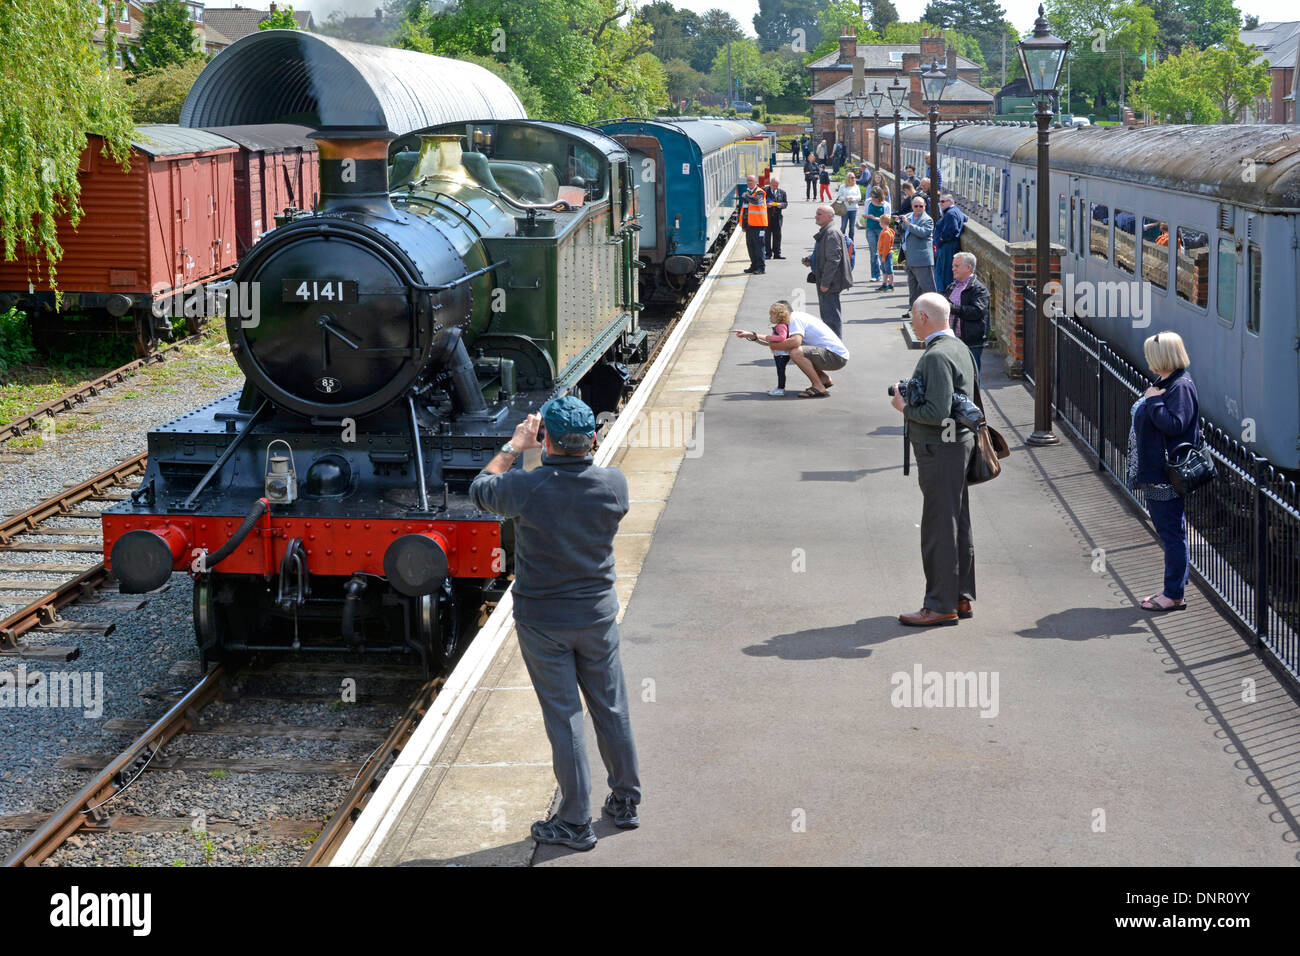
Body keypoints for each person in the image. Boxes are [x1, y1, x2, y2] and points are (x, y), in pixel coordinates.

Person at [469, 397, 641, 850]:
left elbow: (483, 488)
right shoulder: (614, 484)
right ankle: (625, 802)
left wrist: (515, 444)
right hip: (596, 614)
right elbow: (559, 480)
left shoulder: (525, 487)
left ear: (545, 439)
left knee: (565, 719)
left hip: (544, 620)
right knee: (612, 708)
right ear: (594, 439)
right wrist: (544, 451)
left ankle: (574, 822)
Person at [890, 292, 978, 627]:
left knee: (939, 528)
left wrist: (905, 407)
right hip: (959, 447)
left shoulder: (936, 356)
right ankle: (960, 597)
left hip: (940, 451)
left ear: (924, 318)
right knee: (958, 523)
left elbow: (937, 413)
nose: (911, 321)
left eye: (913, 315)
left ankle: (939, 605)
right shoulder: (960, 348)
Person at [1126, 331, 1198, 613]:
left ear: (1163, 357)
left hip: (1165, 476)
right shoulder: (1166, 380)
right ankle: (1174, 586)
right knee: (1171, 531)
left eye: (1151, 355)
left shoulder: (1180, 387)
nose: (1147, 359)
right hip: (1157, 472)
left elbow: (1175, 424)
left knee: (1171, 534)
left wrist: (1152, 401)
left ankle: (1173, 595)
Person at [737, 300, 849, 398]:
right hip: (836, 355)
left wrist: (773, 345)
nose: (770, 319)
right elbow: (779, 343)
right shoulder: (793, 319)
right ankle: (824, 379)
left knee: (796, 352)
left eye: (773, 315)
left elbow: (795, 342)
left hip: (835, 357)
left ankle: (818, 386)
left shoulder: (794, 319)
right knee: (797, 350)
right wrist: (753, 336)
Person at [802, 204, 853, 339]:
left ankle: (835, 348)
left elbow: (833, 260)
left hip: (830, 283)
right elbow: (825, 254)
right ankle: (833, 345)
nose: (816, 216)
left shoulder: (831, 233)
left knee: (831, 316)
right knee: (828, 314)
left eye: (819, 214)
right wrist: (811, 259)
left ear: (830, 217)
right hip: (828, 281)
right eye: (817, 213)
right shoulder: (828, 231)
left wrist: (825, 283)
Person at [733, 301, 792, 396]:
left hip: (782, 354)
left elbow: (782, 337)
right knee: (780, 371)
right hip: (779, 353)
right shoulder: (780, 325)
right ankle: (780, 387)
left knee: (780, 371)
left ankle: (781, 389)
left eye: (771, 316)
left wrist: (769, 337)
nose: (770, 318)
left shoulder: (781, 326)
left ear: (778, 317)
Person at [944, 252, 989, 372]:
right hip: (953, 339)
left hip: (971, 341)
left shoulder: (979, 289)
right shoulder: (952, 286)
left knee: (972, 375)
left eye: (957, 266)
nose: (953, 269)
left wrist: (952, 308)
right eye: (953, 266)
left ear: (968, 268)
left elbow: (977, 312)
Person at [899, 194, 936, 317]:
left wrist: (909, 225)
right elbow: (903, 229)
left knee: (927, 288)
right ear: (912, 206)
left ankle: (933, 312)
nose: (918, 208)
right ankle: (913, 311)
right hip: (910, 258)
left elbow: (923, 233)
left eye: (921, 206)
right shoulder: (908, 216)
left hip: (922, 260)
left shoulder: (928, 220)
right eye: (916, 206)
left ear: (925, 206)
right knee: (913, 287)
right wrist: (900, 223)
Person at [934, 191, 966, 290]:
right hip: (949, 246)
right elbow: (965, 219)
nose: (941, 204)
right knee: (946, 272)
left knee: (944, 273)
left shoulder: (950, 214)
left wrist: (941, 238)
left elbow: (953, 230)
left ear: (950, 202)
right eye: (940, 202)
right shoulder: (956, 211)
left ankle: (944, 294)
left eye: (943, 201)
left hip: (947, 247)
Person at [739, 174, 768, 274]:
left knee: (759, 247)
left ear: (756, 182)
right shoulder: (749, 193)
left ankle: (761, 268)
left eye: (751, 181)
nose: (749, 183)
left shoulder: (760, 192)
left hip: (759, 226)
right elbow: (745, 211)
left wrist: (746, 196)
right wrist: (743, 225)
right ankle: (754, 265)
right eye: (748, 181)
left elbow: (756, 202)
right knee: (751, 247)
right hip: (750, 226)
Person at [861, 185, 891, 283]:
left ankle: (885, 273)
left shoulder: (886, 205)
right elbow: (864, 214)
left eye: (875, 197)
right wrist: (867, 216)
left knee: (882, 252)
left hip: (882, 230)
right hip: (870, 228)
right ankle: (875, 274)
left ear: (879, 196)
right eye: (872, 196)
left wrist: (876, 218)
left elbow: (887, 219)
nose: (873, 198)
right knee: (873, 252)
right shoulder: (868, 202)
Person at [835, 171, 862, 243]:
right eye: (852, 177)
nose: (853, 179)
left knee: (852, 227)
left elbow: (859, 197)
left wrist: (854, 199)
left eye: (854, 177)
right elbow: (839, 197)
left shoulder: (856, 187)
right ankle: (841, 241)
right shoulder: (843, 186)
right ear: (848, 178)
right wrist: (845, 198)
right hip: (845, 209)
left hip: (854, 209)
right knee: (843, 226)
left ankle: (851, 242)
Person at [765, 176, 788, 259]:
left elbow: (785, 203)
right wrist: (766, 205)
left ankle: (777, 254)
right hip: (767, 217)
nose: (775, 187)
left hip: (777, 217)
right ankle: (768, 253)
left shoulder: (782, 192)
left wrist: (781, 205)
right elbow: (760, 202)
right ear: (770, 184)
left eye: (776, 186)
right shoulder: (764, 191)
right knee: (767, 236)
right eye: (773, 185)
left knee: (777, 236)